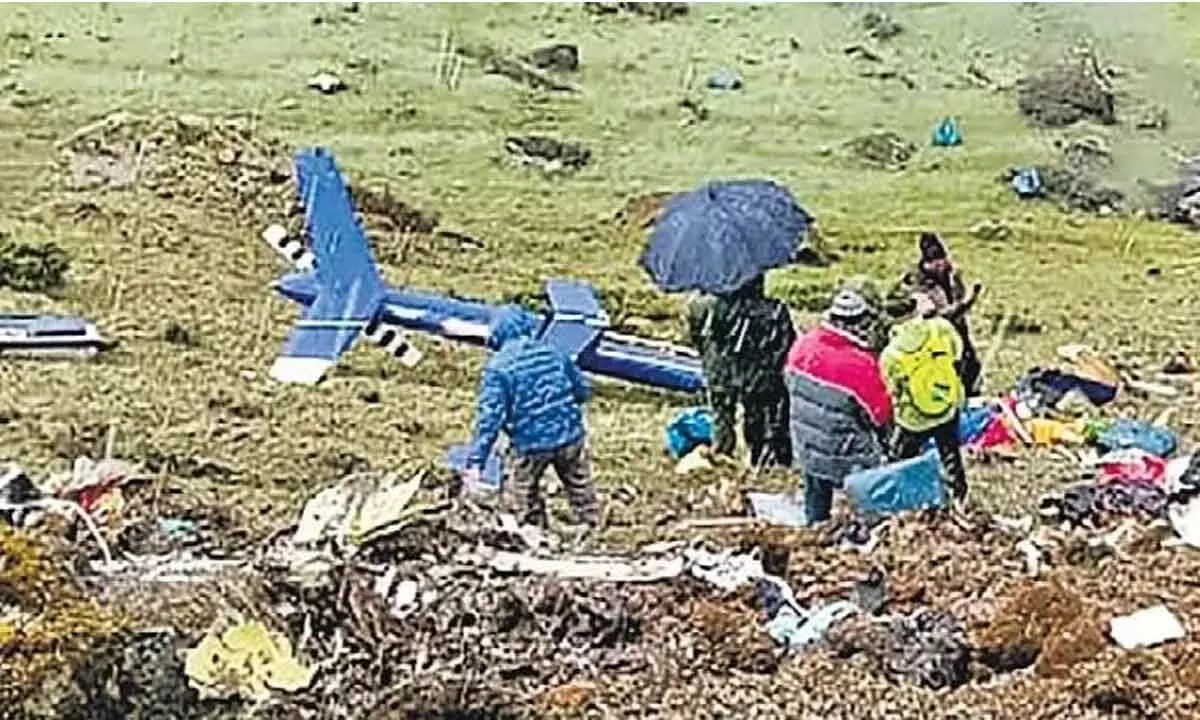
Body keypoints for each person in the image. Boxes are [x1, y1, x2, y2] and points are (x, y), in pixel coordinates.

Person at [463, 305, 599, 531]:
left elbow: (489, 420)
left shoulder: (498, 369)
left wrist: (476, 462)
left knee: (520, 494)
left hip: (530, 443)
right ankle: (592, 528)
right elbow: (582, 390)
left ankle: (531, 533)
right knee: (580, 487)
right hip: (570, 435)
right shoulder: (554, 352)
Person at [785, 284, 894, 523]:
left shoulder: (803, 345)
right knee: (869, 491)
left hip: (806, 444)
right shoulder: (860, 364)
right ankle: (874, 528)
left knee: (816, 489)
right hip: (845, 451)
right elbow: (881, 416)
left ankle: (815, 527)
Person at [686, 273, 796, 469]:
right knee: (755, 417)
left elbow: (696, 337)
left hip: (718, 370)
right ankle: (758, 458)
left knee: (721, 414)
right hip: (757, 377)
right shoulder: (774, 310)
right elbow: (787, 347)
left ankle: (722, 455)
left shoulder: (701, 304)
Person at [881, 315, 969, 501]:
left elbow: (892, 390)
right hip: (946, 406)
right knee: (950, 453)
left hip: (913, 419)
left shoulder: (890, 355)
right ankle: (958, 494)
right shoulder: (941, 328)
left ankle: (910, 498)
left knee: (903, 460)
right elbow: (958, 355)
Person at [892, 232, 984, 396]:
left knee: (971, 369)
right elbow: (939, 315)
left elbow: (957, 296)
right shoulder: (917, 284)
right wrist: (967, 302)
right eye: (935, 262)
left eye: (942, 259)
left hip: (959, 332)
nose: (941, 265)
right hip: (935, 338)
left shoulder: (952, 274)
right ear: (926, 263)